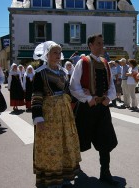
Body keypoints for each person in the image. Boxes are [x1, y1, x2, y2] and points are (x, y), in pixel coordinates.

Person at [69, 33, 119, 185]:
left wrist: (109, 98)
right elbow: (73, 85)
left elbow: (111, 85)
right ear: (90, 45)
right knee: (80, 139)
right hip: (86, 108)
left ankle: (105, 172)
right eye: (98, 43)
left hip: (102, 108)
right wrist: (88, 99)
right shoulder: (82, 62)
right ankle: (74, 166)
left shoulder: (105, 63)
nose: (101, 46)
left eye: (102, 43)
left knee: (105, 139)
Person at [32, 41, 81, 188]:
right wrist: (38, 117)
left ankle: (64, 174)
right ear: (47, 55)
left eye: (59, 52)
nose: (58, 55)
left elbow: (67, 92)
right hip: (49, 114)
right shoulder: (40, 73)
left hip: (64, 113)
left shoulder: (63, 72)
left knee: (65, 142)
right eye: (55, 52)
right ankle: (52, 177)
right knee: (51, 144)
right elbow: (36, 96)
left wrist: (78, 95)